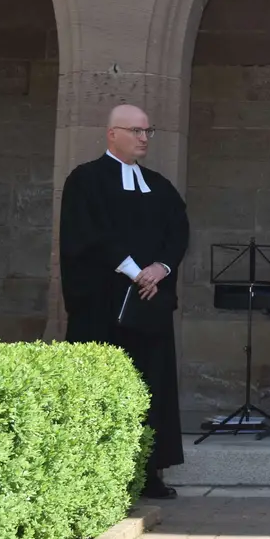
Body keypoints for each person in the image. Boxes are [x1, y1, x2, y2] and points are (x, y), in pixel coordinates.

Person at [59, 104, 189, 500]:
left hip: (148, 306)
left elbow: (178, 231)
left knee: (151, 386)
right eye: (136, 130)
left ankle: (148, 471)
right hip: (101, 306)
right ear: (112, 134)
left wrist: (161, 269)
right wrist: (136, 272)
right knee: (101, 386)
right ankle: (93, 476)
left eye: (148, 130)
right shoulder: (85, 180)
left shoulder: (160, 186)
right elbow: (88, 235)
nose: (144, 137)